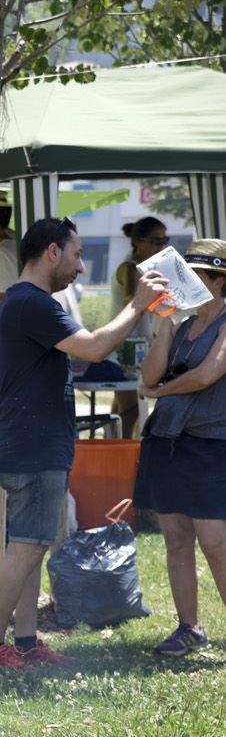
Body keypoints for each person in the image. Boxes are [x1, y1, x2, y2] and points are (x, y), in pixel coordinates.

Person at [0, 217, 167, 670]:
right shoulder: (32, 303)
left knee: (30, 545)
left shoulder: (23, 303)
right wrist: (138, 305)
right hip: (33, 447)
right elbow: (95, 347)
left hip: (30, 443)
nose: (81, 268)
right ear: (52, 252)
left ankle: (24, 643)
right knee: (24, 548)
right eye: (77, 255)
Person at [133, 240, 226, 657]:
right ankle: (189, 627)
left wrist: (163, 389)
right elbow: (146, 379)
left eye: (195, 277)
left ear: (219, 281)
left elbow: (206, 375)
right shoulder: (183, 325)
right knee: (175, 536)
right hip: (169, 441)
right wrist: (166, 325)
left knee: (215, 541)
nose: (183, 284)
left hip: (213, 445)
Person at [109, 216, 170, 437]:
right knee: (128, 415)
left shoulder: (143, 268)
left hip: (134, 344)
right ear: (140, 242)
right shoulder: (131, 268)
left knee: (121, 413)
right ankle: (120, 461)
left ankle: (115, 455)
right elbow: (133, 305)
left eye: (165, 241)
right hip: (126, 348)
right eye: (156, 241)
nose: (162, 247)